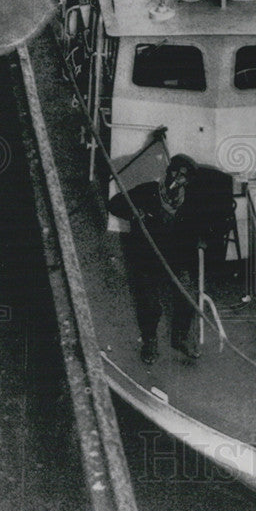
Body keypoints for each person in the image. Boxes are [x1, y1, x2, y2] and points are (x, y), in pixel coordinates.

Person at [108, 154, 201, 364]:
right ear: (168, 171)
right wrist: (134, 212)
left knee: (188, 297)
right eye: (176, 172)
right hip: (147, 259)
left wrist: (196, 247)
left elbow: (195, 230)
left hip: (175, 260)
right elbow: (113, 204)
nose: (178, 178)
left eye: (184, 176)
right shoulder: (148, 191)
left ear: (188, 181)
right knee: (150, 304)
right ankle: (150, 341)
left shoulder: (189, 201)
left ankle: (180, 337)